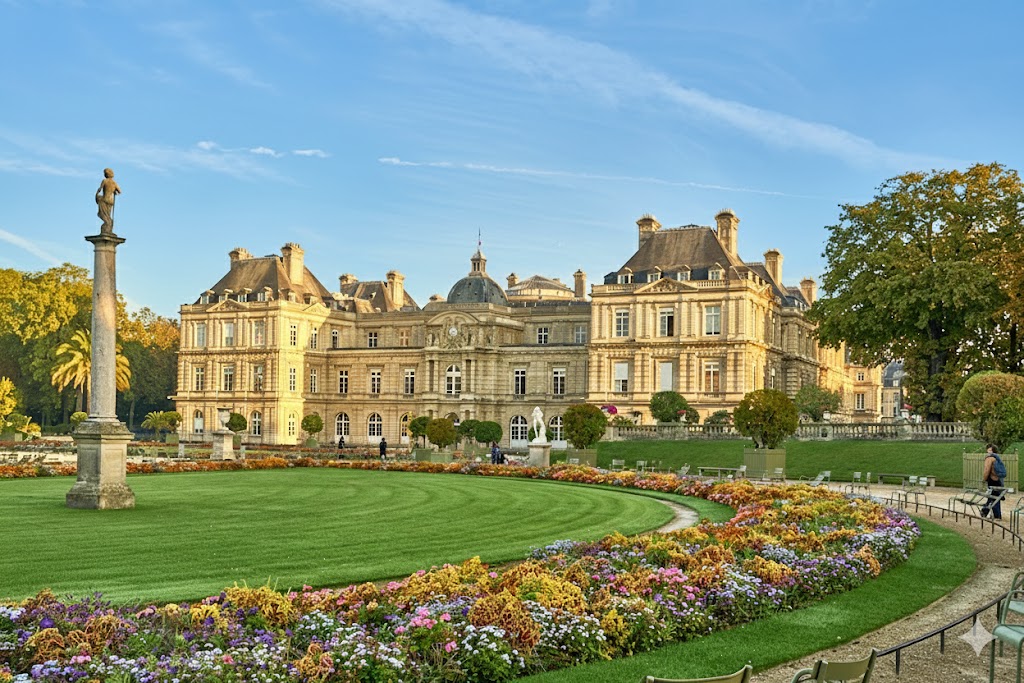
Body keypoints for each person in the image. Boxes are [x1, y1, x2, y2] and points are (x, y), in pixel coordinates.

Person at [981, 443, 1005, 519]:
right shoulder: (997, 458)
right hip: (998, 479)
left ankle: (985, 511)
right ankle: (996, 514)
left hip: (992, 480)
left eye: (990, 450)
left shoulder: (989, 458)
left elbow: (986, 470)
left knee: (992, 497)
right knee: (996, 497)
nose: (988, 451)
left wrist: (984, 479)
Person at [95, 168, 121, 234]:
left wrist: (96, 194)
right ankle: (108, 227)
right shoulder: (114, 183)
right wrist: (114, 192)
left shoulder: (104, 181)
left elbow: (100, 189)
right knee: (108, 215)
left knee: (103, 214)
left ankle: (107, 226)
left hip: (104, 199)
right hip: (111, 201)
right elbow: (119, 191)